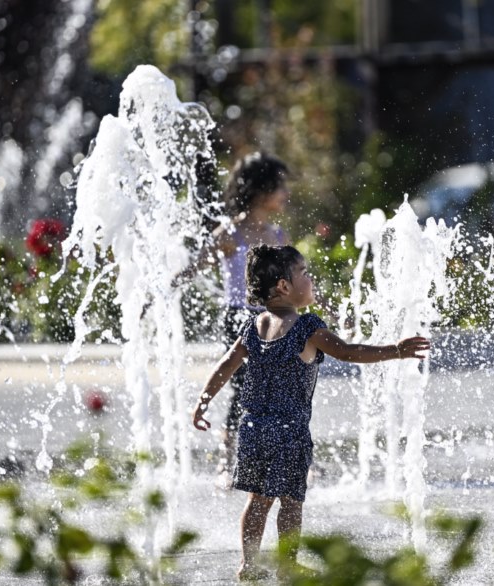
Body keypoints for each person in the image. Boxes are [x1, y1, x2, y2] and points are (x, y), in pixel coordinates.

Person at [191, 245, 431, 581]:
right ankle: (288, 565)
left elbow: (226, 365)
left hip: (253, 427)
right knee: (290, 502)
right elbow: (348, 352)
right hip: (289, 431)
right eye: (304, 272)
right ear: (283, 286)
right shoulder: (306, 328)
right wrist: (395, 350)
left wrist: (202, 402)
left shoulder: (253, 325)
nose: (311, 277)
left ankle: (249, 563)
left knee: (257, 501)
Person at [176, 152, 290, 485]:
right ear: (260, 190)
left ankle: (270, 457)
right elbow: (195, 267)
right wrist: (158, 291)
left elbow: (297, 279)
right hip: (240, 321)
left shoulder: (278, 236)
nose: (285, 194)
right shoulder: (231, 233)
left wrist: (327, 305)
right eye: (279, 187)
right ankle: (228, 462)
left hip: (275, 321)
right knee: (243, 390)